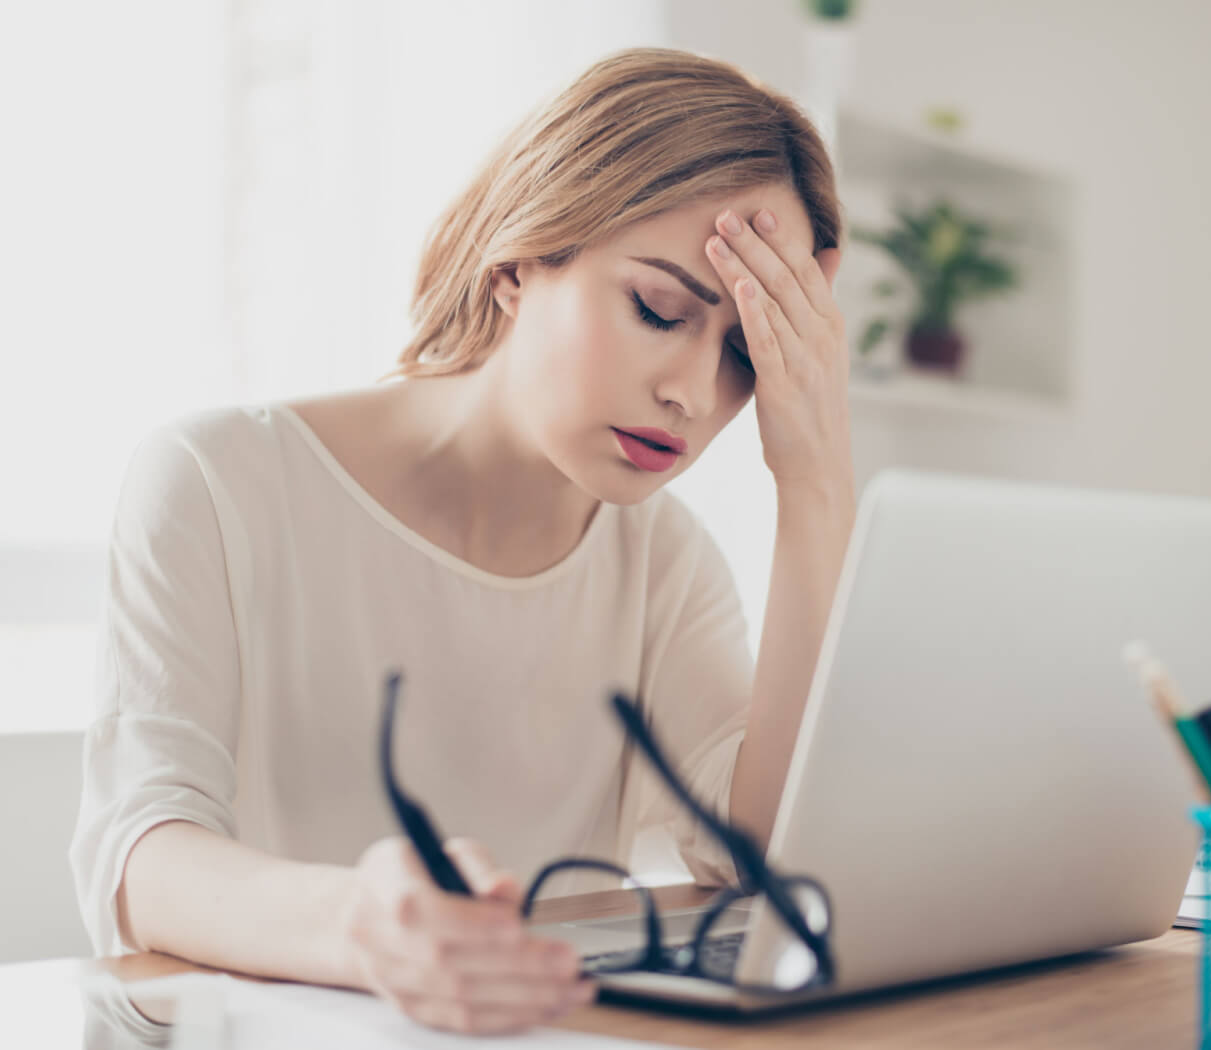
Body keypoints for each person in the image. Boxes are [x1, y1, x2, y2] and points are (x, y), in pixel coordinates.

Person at [68, 46, 853, 1036]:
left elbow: (766, 858)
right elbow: (140, 854)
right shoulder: (219, 479)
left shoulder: (661, 557)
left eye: (744, 353)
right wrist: (363, 927)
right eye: (658, 309)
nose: (694, 395)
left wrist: (815, 480)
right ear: (523, 257)